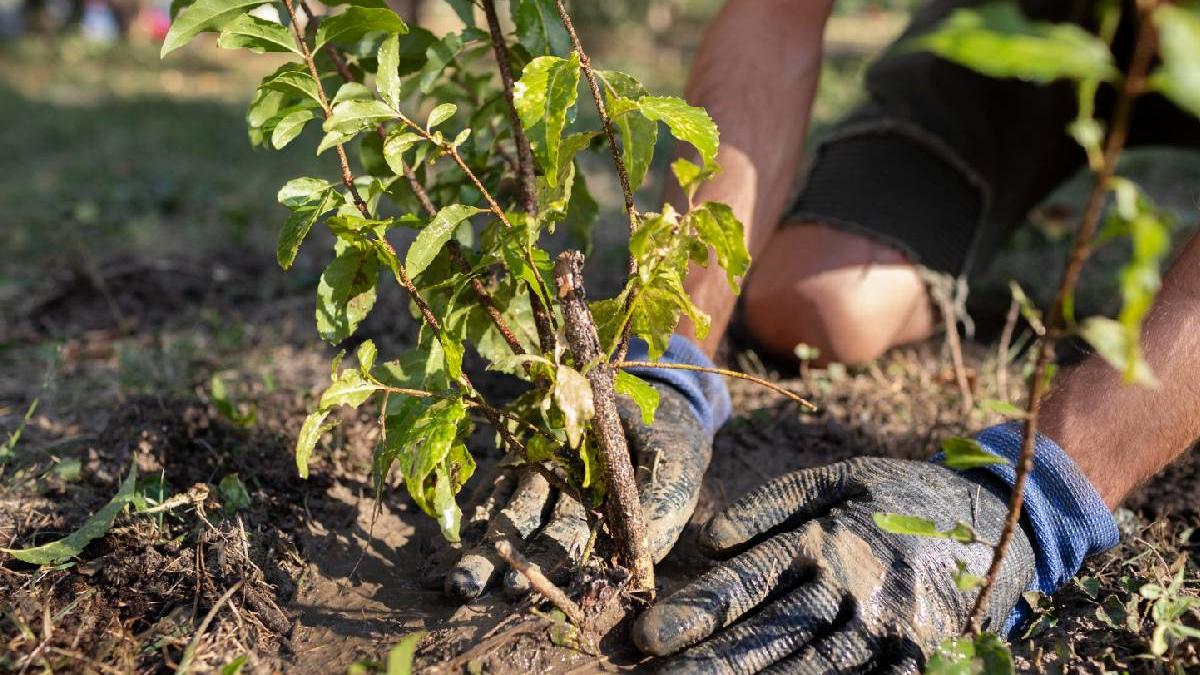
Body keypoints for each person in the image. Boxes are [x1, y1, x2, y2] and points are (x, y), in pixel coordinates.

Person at [443, 1, 1200, 672]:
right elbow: (772, 20)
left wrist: (1039, 493)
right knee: (820, 304)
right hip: (1030, 24)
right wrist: (667, 352)